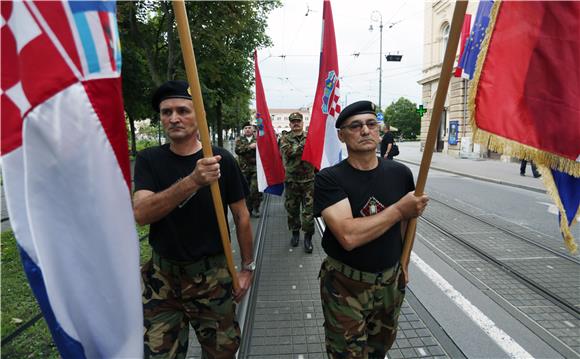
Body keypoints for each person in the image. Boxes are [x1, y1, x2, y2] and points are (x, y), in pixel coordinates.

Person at [133, 80, 255, 359]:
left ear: (198, 116)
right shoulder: (149, 159)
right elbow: (142, 214)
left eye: (182, 110)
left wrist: (247, 267)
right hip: (162, 282)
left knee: (221, 352)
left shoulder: (222, 160)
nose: (174, 118)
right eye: (166, 112)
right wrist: (193, 181)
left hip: (213, 279)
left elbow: (241, 216)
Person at [314, 100, 429, 358]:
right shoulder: (329, 179)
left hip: (389, 283)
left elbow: (407, 225)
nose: (365, 131)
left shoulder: (400, 174)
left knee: (380, 350)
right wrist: (399, 209)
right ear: (341, 135)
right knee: (347, 354)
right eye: (355, 126)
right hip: (345, 286)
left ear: (379, 130)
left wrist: (405, 264)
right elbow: (348, 235)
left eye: (371, 124)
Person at [279, 112, 315, 253]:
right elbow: (289, 152)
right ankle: (295, 233)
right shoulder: (284, 138)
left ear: (302, 123)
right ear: (290, 124)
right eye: (293, 121)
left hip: (308, 180)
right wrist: (306, 145)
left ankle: (308, 237)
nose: (296, 123)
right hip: (292, 181)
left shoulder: (311, 136)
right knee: (292, 210)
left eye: (298, 121)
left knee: (309, 212)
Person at [235, 122, 263, 217]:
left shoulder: (258, 139)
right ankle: (248, 209)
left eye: (249, 128)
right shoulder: (240, 139)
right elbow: (237, 150)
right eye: (246, 128)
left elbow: (263, 151)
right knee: (245, 190)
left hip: (255, 168)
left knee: (254, 189)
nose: (247, 129)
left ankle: (256, 207)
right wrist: (249, 147)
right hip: (243, 169)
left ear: (252, 129)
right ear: (244, 130)